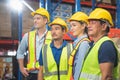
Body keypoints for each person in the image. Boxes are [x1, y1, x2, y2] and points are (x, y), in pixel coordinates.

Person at [79, 8, 119, 80]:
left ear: (103, 26)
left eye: (93, 23)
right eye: (89, 23)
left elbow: (107, 77)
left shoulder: (106, 46)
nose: (88, 26)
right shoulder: (94, 45)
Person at [16, 8, 51, 80]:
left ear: (45, 20)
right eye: (34, 19)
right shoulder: (27, 36)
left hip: (48, 74)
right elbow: (20, 52)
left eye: (38, 18)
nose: (35, 21)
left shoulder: (52, 36)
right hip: (32, 74)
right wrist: (21, 68)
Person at [68, 12, 90, 80]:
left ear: (83, 26)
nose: (71, 28)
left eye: (74, 25)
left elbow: (79, 67)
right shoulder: (78, 43)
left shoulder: (84, 44)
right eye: (71, 26)